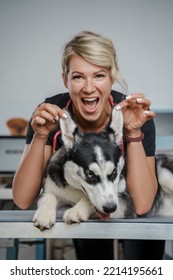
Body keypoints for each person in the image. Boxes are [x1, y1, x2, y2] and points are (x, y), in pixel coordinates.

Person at [12, 31, 165, 260]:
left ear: (112, 78)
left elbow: (142, 205)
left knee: (143, 251)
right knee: (93, 260)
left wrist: (133, 133)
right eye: (78, 77)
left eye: (99, 75)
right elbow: (23, 199)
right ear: (65, 79)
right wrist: (40, 136)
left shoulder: (132, 116)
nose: (89, 87)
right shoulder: (50, 113)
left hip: (127, 203)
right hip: (83, 203)